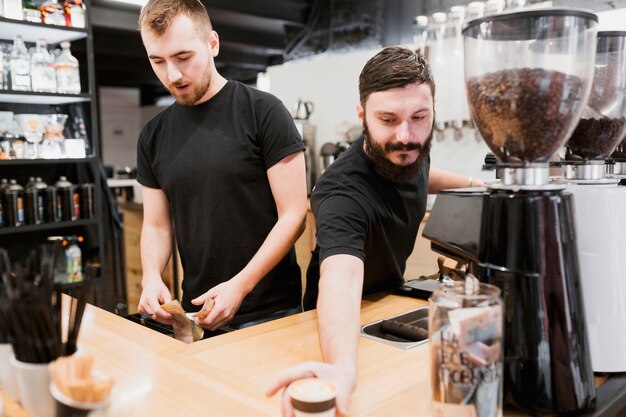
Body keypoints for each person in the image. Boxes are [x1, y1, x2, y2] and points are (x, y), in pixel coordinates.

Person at [266, 46, 483, 415]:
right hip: (337, 325)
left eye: (419, 116)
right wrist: (341, 368)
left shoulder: (411, 148)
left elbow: (423, 173)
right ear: (362, 115)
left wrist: (476, 186)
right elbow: (342, 278)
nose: (406, 135)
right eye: (388, 120)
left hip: (386, 305)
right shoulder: (341, 193)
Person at [135, 0, 307, 331]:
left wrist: (240, 285)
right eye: (158, 61)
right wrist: (151, 276)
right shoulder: (152, 136)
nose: (172, 74)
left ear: (212, 44)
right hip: (198, 313)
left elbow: (294, 215)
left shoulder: (264, 112)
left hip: (270, 312)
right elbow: (157, 225)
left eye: (183, 58)